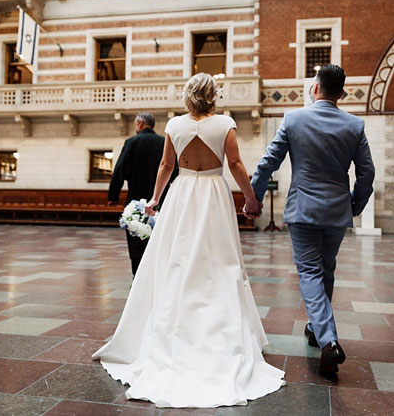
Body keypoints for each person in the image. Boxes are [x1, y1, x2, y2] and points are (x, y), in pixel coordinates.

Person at [93, 73, 284, 407]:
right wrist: (250, 198)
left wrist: (154, 199)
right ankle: (220, 325)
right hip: (212, 192)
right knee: (219, 261)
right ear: (213, 95)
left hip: (181, 194)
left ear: (188, 96)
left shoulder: (174, 125)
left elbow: (167, 165)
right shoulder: (225, 123)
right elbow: (236, 163)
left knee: (177, 259)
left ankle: (175, 323)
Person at [250, 64, 375, 375]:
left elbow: (268, 163)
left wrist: (254, 199)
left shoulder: (294, 119)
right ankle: (316, 327)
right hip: (336, 211)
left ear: (315, 88)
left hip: (303, 210)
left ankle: (329, 341)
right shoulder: (354, 125)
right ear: (342, 93)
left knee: (309, 272)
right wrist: (355, 205)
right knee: (326, 268)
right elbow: (367, 172)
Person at [107, 112, 177, 276]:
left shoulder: (132, 142)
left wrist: (113, 196)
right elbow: (174, 171)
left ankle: (138, 276)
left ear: (139, 124)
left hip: (136, 201)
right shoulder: (164, 143)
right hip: (161, 201)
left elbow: (120, 170)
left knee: (136, 239)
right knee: (159, 239)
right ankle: (158, 274)